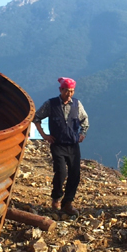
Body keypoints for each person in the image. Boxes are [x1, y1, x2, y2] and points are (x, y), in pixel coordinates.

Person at [33, 77, 89, 216]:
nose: (69, 94)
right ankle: (56, 199)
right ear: (60, 90)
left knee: (75, 174)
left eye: (72, 91)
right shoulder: (51, 104)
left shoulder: (77, 104)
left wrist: (83, 134)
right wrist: (44, 136)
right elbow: (36, 118)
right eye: (67, 91)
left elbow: (85, 120)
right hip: (57, 144)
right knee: (61, 172)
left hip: (73, 145)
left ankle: (68, 203)